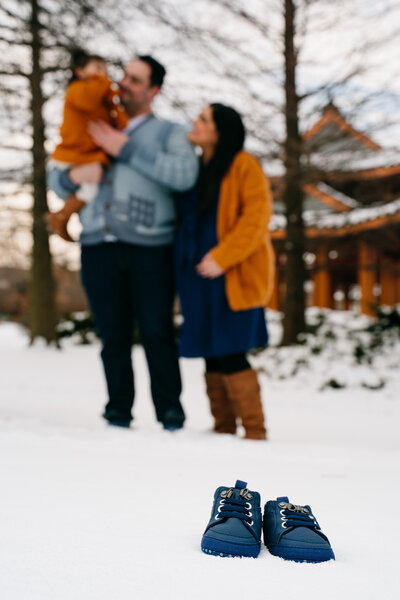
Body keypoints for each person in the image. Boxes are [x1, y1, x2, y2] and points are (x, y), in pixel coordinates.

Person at [48, 55, 199, 430]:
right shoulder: (93, 121)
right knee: (111, 334)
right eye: (124, 76)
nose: (123, 83)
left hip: (151, 247)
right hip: (98, 243)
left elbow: (185, 176)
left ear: (153, 90)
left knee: (156, 330)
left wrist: (125, 148)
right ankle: (118, 409)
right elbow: (56, 174)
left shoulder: (170, 132)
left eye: (135, 79)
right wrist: (70, 179)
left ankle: (169, 409)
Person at [175, 104, 275, 440]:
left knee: (232, 351)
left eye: (203, 119)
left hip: (233, 275)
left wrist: (223, 256)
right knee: (210, 352)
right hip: (198, 278)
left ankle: (254, 430)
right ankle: (223, 428)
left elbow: (257, 217)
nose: (195, 122)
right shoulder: (195, 166)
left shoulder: (244, 164)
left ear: (220, 131)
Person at [47, 48, 129, 241]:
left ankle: (61, 216)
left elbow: (119, 122)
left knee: (91, 189)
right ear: (80, 72)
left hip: (88, 155)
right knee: (89, 183)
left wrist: (114, 106)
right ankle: (61, 216)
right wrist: (105, 85)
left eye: (105, 70)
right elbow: (88, 101)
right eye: (98, 68)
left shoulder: (102, 97)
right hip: (74, 152)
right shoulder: (78, 90)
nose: (103, 74)